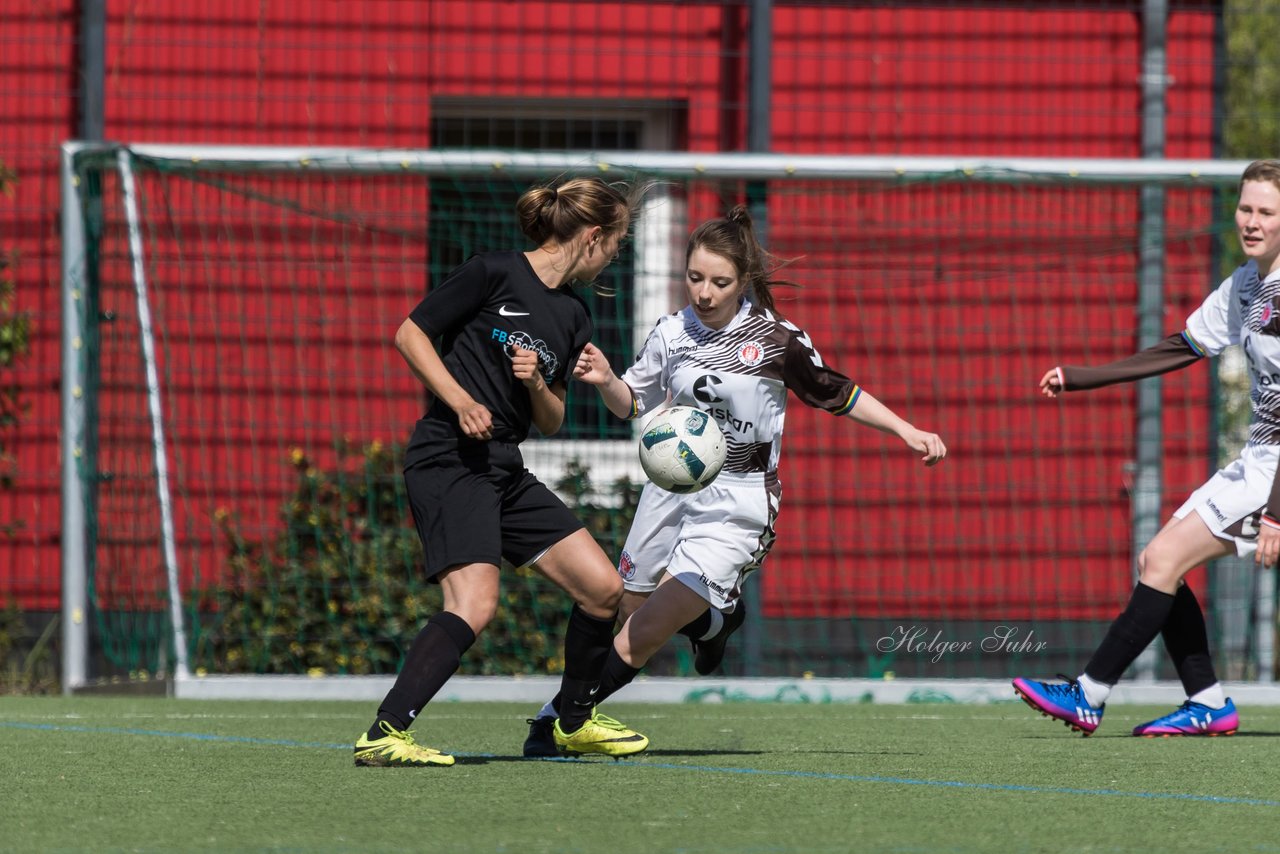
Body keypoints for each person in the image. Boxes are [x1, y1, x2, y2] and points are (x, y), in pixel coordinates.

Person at [524, 205, 947, 756]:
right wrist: (606, 379)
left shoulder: (775, 341)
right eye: (694, 277)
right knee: (627, 607)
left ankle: (558, 720)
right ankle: (712, 627)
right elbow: (634, 404)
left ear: (743, 280)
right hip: (669, 492)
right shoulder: (671, 332)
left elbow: (835, 391)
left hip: (739, 502)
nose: (703, 292)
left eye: (719, 282)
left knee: (647, 629)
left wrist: (905, 429)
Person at [354, 176, 651, 767]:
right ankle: (385, 733)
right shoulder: (491, 272)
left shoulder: (573, 316)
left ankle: (571, 722)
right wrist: (460, 400)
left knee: (603, 591)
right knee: (474, 603)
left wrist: (539, 383)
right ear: (593, 236)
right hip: (448, 457)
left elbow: (553, 420)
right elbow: (409, 334)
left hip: (503, 466)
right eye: (616, 242)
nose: (615, 255)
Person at [1012, 159, 1280, 737]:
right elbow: (1182, 345)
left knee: (1161, 561)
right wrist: (1085, 377)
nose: (1251, 221)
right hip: (1260, 460)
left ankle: (1090, 694)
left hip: (1275, 471)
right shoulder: (1247, 284)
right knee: (1159, 562)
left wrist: (1277, 512)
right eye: (1245, 208)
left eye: (1266, 211)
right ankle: (1206, 702)